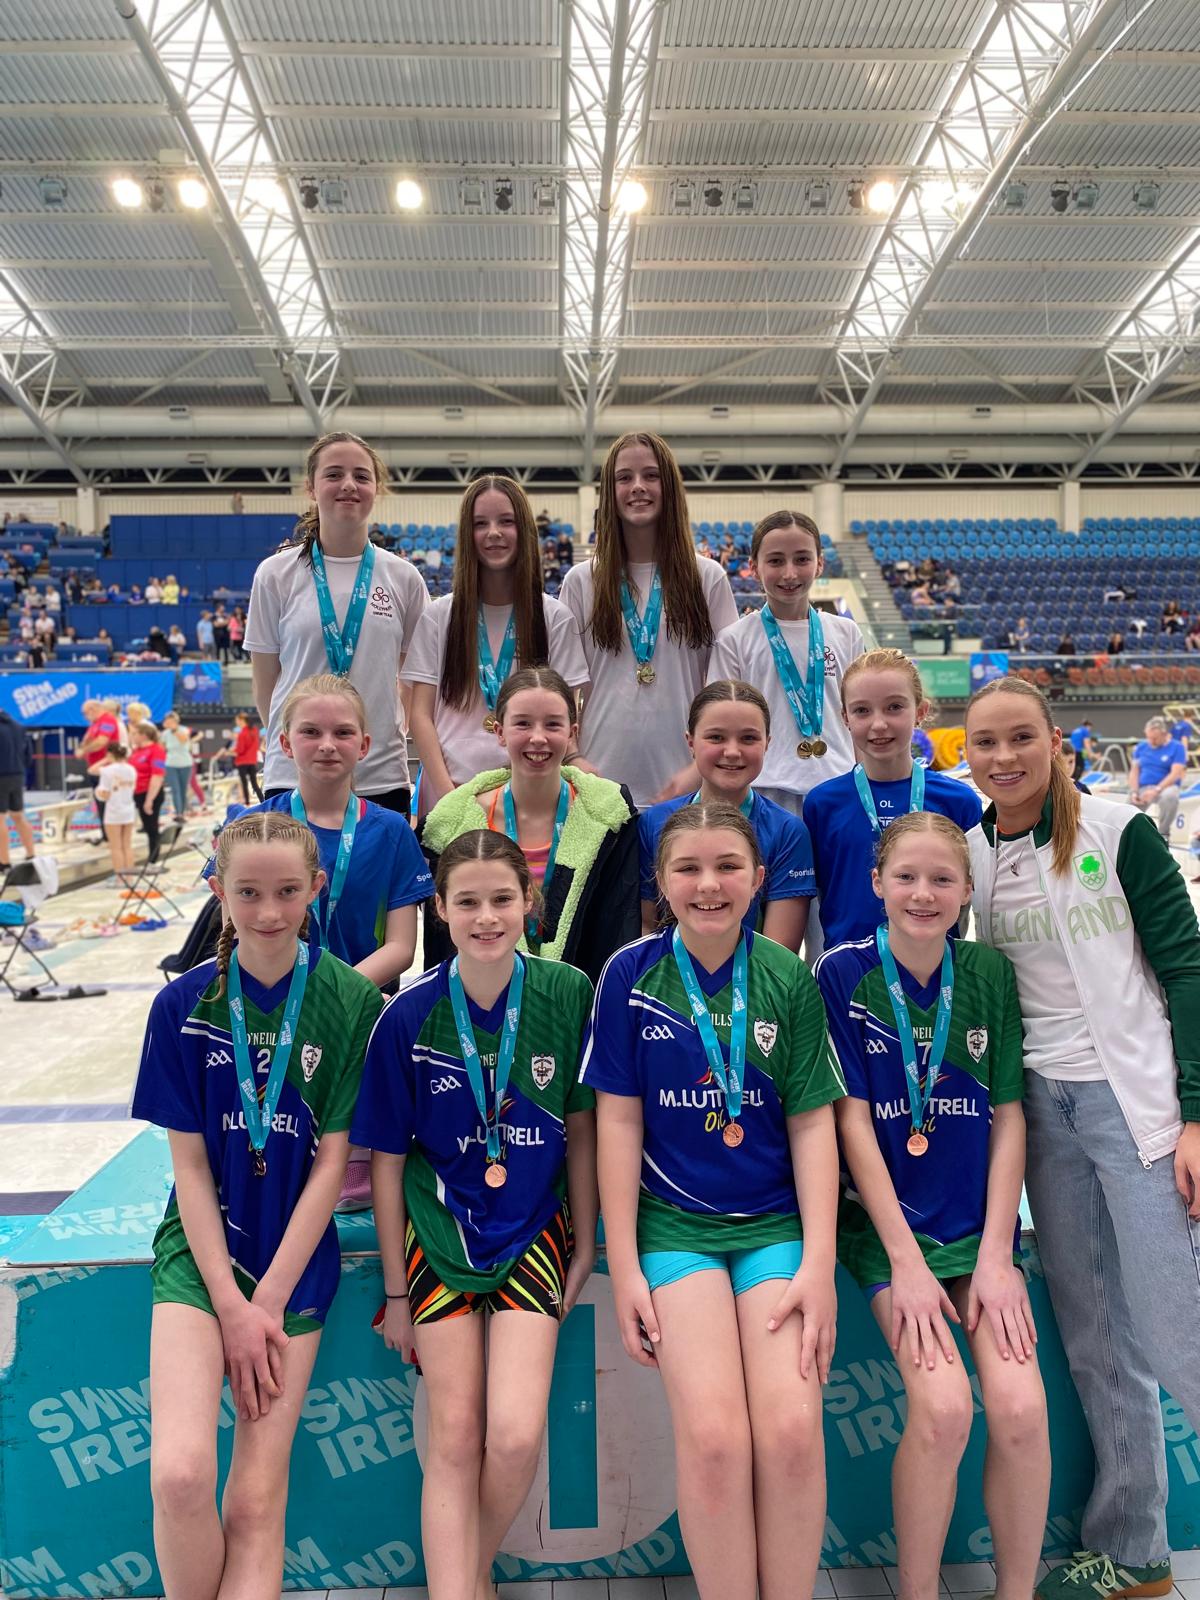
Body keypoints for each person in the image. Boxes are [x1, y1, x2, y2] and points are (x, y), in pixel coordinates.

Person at [963, 676, 1200, 1600]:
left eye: (1022, 738)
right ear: (967, 754)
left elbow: (1184, 966)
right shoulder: (974, 854)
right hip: (1043, 1116)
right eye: (985, 743)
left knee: (1181, 1337)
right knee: (1098, 1340)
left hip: (1134, 1109)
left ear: (1056, 740)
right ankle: (1135, 1552)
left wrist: (1195, 1114)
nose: (1004, 758)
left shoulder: (1117, 831)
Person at [582, 802, 842, 1600]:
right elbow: (617, 1123)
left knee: (793, 1433)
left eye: (728, 867)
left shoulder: (786, 975)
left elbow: (811, 1127)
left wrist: (821, 1265)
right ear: (659, 882)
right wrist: (623, 1268)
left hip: (772, 1230)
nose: (708, 884)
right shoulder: (630, 974)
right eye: (687, 869)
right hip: (675, 1233)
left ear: (760, 879)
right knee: (718, 1439)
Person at [130, 811, 382, 1600]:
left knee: (252, 1497)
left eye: (285, 892)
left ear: (316, 889)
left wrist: (264, 1302)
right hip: (200, 1258)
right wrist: (232, 1307)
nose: (268, 912)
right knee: (178, 1476)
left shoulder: (348, 1002)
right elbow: (191, 1170)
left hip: (295, 1270)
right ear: (217, 892)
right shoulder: (181, 1006)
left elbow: (333, 1164)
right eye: (247, 893)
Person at [350, 830, 597, 1600]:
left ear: (530, 903)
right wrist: (396, 1293)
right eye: (468, 903)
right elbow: (388, 1166)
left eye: (502, 900)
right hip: (439, 1233)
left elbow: (585, 1129)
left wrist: (583, 1244)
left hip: (531, 1232)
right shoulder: (407, 1016)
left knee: (516, 1434)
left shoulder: (566, 993)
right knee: (455, 1435)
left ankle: (471, 1570)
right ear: (440, 909)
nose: (487, 917)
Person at [815, 812, 1049, 1600]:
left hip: (975, 1228)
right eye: (906, 877)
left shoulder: (987, 975)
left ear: (967, 891)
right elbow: (848, 1122)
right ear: (876, 883)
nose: (924, 893)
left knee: (1019, 1412)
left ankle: (1014, 1593)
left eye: (943, 879)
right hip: (887, 1236)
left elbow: (1010, 1116)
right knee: (946, 1410)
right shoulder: (842, 974)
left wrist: (996, 1255)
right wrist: (906, 1264)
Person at [420, 665, 638, 984]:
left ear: (572, 732)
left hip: (578, 1003)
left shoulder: (610, 821)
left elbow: (617, 927)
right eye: (523, 724)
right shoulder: (453, 828)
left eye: (552, 724)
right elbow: (443, 943)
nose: (538, 738)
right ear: (499, 732)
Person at [246, 431, 428, 814]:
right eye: (334, 475)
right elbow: (266, 685)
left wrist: (387, 729)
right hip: (293, 774)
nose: (348, 485)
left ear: (377, 488)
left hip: (378, 773)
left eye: (361, 476)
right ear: (311, 487)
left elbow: (413, 678)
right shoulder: (275, 574)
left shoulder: (403, 577)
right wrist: (302, 741)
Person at [559, 431, 737, 808]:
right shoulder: (581, 581)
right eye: (624, 478)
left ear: (669, 486)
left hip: (688, 785)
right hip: (599, 788)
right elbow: (559, 690)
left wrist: (699, 770)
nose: (637, 487)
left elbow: (728, 692)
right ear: (610, 492)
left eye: (650, 475)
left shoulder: (707, 578)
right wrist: (574, 759)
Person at [403, 475, 588, 809]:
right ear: (466, 534)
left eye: (506, 521)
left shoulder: (555, 618)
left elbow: (566, 711)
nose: (493, 533)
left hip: (530, 801)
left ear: (525, 531)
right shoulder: (438, 616)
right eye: (480, 523)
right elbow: (420, 715)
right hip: (450, 794)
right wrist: (450, 798)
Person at [803, 649, 982, 951]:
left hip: (937, 974)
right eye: (862, 711)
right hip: (848, 976)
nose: (879, 724)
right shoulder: (823, 803)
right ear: (845, 717)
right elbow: (821, 895)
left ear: (920, 711)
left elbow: (972, 899)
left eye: (894, 707)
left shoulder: (958, 801)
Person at [638, 680, 814, 954]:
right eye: (716, 737)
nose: (732, 752)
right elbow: (646, 926)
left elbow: (779, 952)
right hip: (669, 982)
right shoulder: (654, 823)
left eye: (748, 738)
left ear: (767, 744)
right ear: (691, 742)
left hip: (754, 988)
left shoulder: (787, 831)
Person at [710, 511, 865, 817]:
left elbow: (858, 717)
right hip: (764, 790)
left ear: (819, 563)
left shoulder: (846, 633)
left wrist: (865, 778)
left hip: (839, 787)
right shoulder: (735, 640)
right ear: (754, 567)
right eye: (776, 561)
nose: (790, 573)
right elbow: (721, 721)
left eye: (802, 559)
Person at [1128, 716, 1187, 842]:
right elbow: (1134, 771)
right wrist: (1134, 791)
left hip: (1166, 786)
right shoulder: (1141, 747)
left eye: (1154, 738)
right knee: (1128, 807)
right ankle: (1131, 836)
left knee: (1169, 798)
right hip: (1144, 787)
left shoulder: (1177, 747)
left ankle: (1163, 834)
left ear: (1164, 734)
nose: (1151, 741)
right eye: (1148, 737)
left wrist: (1156, 790)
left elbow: (1176, 773)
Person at [78, 697, 122, 843]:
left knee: (107, 802)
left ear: (93, 709)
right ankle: (106, 835)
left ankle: (112, 836)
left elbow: (102, 742)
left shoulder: (108, 720)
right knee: (100, 803)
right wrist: (83, 746)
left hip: (106, 770)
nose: (85, 717)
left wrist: (84, 749)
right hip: (96, 769)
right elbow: (88, 738)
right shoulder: (96, 723)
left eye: (85, 713)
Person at [95, 741, 137, 879]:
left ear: (110, 754)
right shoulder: (131, 769)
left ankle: (120, 879)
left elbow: (92, 771)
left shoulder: (107, 770)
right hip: (129, 810)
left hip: (113, 811)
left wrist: (105, 760)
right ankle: (129, 878)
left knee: (116, 847)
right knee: (127, 846)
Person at [0, 708, 34, 871]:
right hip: (17, 775)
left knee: (0, 819)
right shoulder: (18, 726)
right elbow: (29, 754)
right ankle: (31, 854)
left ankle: (4, 862)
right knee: (18, 816)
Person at [129, 720, 168, 865]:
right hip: (138, 792)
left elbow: (157, 776)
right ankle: (151, 858)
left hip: (151, 793)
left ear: (144, 735)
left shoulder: (157, 750)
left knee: (152, 828)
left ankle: (153, 860)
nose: (131, 737)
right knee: (146, 827)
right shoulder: (136, 751)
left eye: (134, 734)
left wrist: (149, 799)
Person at [161, 712, 197, 822]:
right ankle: (179, 813)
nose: (169, 723)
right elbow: (162, 748)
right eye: (167, 721)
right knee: (175, 789)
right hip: (170, 764)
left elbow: (183, 740)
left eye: (171, 721)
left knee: (182, 789)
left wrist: (174, 729)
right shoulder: (165, 733)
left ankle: (183, 811)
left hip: (185, 763)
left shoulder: (184, 730)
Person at [227, 712, 263, 805]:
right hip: (252, 761)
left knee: (244, 784)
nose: (236, 722)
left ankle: (247, 804)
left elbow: (240, 749)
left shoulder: (242, 733)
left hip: (242, 761)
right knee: (255, 784)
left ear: (242, 720)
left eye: (237, 720)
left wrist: (231, 751)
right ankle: (263, 801)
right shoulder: (255, 730)